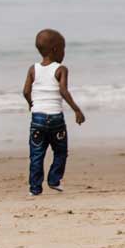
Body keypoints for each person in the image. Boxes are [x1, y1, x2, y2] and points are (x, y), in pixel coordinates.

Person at [22, 29, 85, 196]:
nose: (64, 53)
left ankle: (35, 188)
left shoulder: (33, 69)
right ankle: (53, 180)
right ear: (55, 50)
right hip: (56, 118)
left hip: (37, 118)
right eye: (63, 49)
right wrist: (76, 109)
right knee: (60, 151)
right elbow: (63, 91)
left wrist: (31, 104)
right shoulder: (61, 69)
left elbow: (26, 91)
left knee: (36, 155)